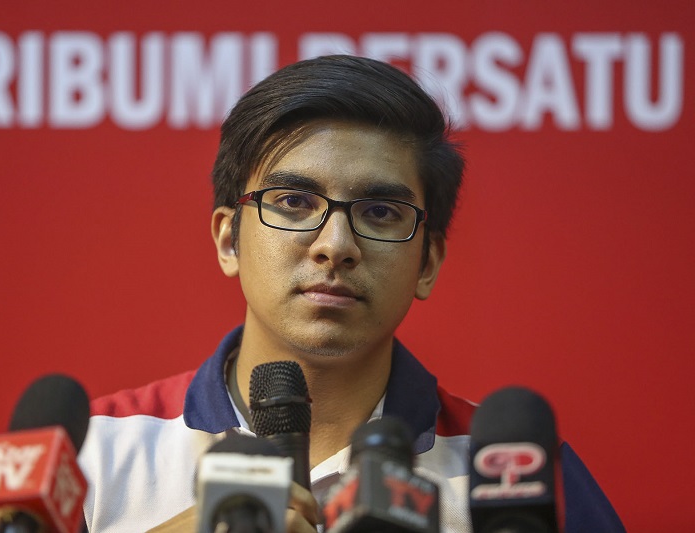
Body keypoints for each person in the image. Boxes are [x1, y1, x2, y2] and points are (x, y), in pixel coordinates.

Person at [79, 55, 624, 533]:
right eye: (293, 202)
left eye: (380, 212)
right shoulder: (93, 456)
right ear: (229, 240)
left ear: (428, 262)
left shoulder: (514, 477)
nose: (335, 246)